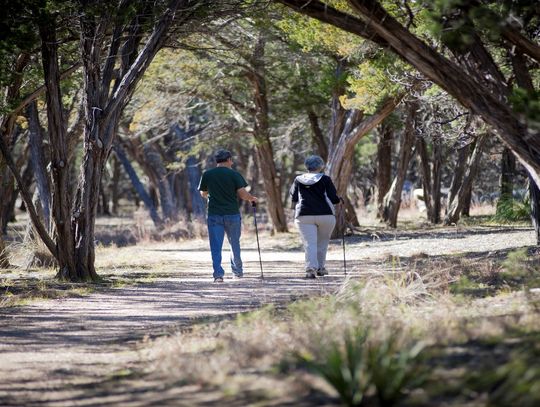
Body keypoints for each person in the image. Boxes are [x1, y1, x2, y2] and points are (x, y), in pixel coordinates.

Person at [198, 149, 258, 283]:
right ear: (229, 160)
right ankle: (237, 273)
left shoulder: (207, 174)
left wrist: (213, 196)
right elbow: (243, 194)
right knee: (234, 244)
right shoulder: (234, 174)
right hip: (232, 214)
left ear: (216, 161)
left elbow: (203, 193)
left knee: (216, 245)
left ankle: (218, 275)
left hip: (214, 215)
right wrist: (252, 198)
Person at [290, 155, 341, 279]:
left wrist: (293, 209)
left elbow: (294, 198)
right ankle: (321, 268)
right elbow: (334, 199)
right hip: (325, 215)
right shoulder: (325, 179)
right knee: (322, 242)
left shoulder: (298, 179)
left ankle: (310, 269)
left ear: (307, 166)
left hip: (304, 215)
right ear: (321, 166)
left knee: (309, 243)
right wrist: (339, 200)